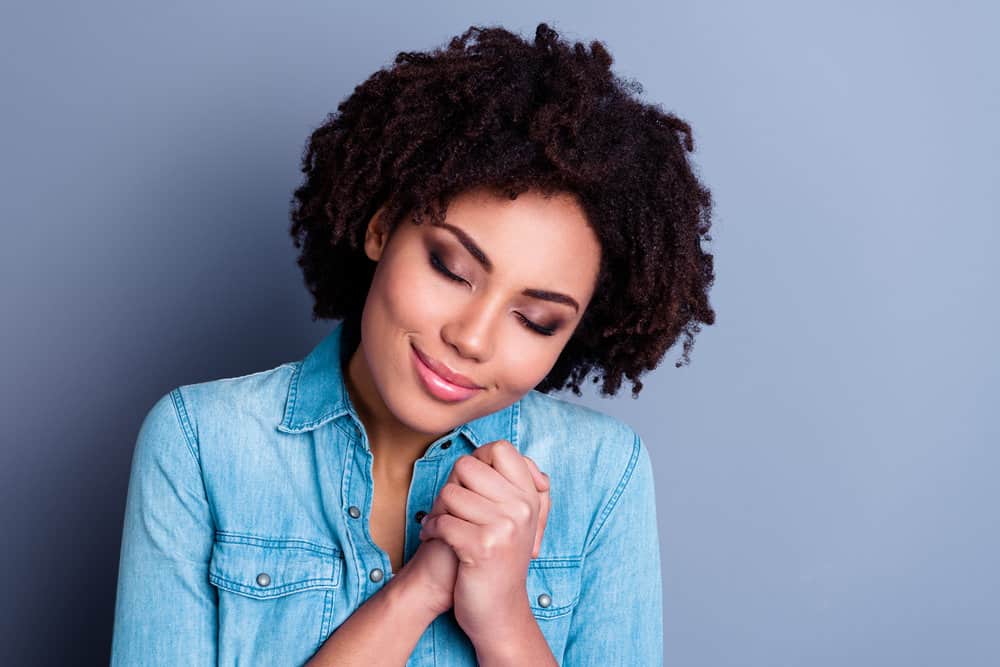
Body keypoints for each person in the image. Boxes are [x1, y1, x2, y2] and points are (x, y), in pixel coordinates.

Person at [110, 21, 715, 666]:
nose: (471, 338)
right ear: (379, 229)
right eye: (452, 271)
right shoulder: (202, 444)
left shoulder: (603, 474)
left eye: (536, 320)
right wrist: (419, 591)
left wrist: (506, 622)